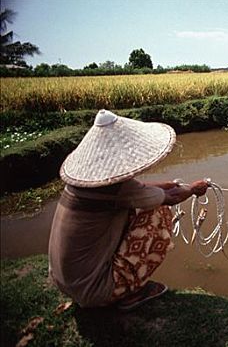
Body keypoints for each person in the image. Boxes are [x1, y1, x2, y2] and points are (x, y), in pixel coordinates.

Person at [48, 109, 209, 310]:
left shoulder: (82, 185)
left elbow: (139, 191)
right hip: (95, 291)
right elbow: (169, 199)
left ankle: (118, 283)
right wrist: (194, 189)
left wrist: (166, 185)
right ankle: (129, 292)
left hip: (66, 283)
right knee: (157, 213)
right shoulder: (119, 190)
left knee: (146, 205)